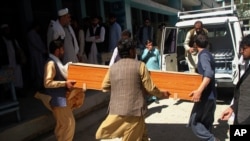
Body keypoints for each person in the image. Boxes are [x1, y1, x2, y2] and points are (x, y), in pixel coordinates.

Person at [95, 38, 170, 141]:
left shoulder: (113, 68)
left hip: (117, 109)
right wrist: (162, 94)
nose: (135, 52)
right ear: (131, 51)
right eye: (134, 49)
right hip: (135, 110)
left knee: (142, 135)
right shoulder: (140, 66)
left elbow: (104, 87)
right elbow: (150, 88)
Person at [43, 39, 84, 141]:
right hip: (58, 100)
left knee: (62, 126)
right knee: (68, 124)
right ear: (57, 50)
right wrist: (65, 83)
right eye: (62, 49)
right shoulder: (51, 64)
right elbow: (47, 83)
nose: (63, 51)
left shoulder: (55, 62)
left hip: (61, 99)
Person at [188, 34, 219, 141]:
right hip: (212, 95)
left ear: (196, 44)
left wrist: (199, 91)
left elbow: (208, 73)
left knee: (194, 122)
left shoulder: (203, 55)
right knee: (206, 122)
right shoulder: (208, 54)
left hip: (206, 96)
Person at [220, 34, 250, 125]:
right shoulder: (247, 65)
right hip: (240, 116)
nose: (241, 51)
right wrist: (232, 108)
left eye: (244, 48)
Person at [0, 24, 26, 95]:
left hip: (15, 61)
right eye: (6, 30)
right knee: (7, 78)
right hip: (6, 62)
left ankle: (18, 91)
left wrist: (21, 58)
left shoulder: (13, 40)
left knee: (18, 76)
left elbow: (19, 49)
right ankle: (9, 93)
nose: (7, 31)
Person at [27, 21, 47, 90]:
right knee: (37, 71)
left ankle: (41, 85)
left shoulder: (36, 34)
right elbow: (36, 44)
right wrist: (43, 50)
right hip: (35, 55)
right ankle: (38, 87)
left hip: (40, 55)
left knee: (41, 71)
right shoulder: (31, 34)